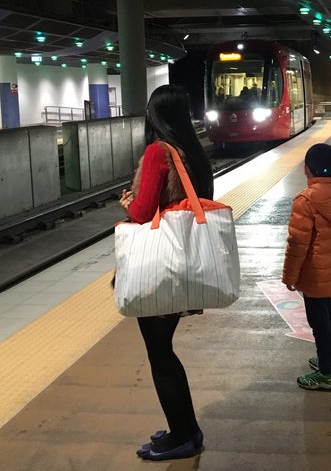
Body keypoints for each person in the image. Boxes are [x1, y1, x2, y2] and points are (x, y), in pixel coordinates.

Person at [119, 84, 214, 461]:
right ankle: (184, 429)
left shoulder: (159, 152)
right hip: (182, 263)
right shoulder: (192, 151)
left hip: (160, 269)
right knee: (164, 352)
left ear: (154, 114)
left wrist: (129, 202)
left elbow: (142, 212)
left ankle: (184, 436)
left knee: (160, 355)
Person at [281, 143, 331, 390]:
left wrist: (289, 276)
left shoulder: (306, 200)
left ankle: (325, 374)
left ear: (306, 170)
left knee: (320, 324)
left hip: (314, 275)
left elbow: (297, 244)